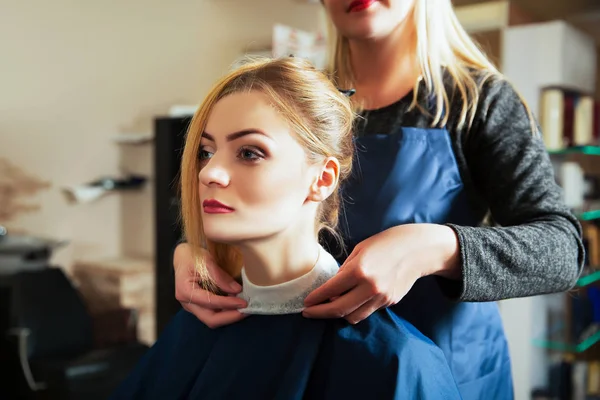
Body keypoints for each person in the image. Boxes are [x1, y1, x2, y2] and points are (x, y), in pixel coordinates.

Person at [172, 0, 586, 399]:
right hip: (316, 365)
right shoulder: (303, 104)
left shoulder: (476, 102)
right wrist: (197, 251)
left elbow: (564, 249)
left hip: (444, 373)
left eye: (250, 151)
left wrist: (436, 248)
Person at [111, 57, 463, 400]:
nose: (208, 173)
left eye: (249, 152)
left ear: (322, 179)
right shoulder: (195, 327)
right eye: (206, 152)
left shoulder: (397, 362)